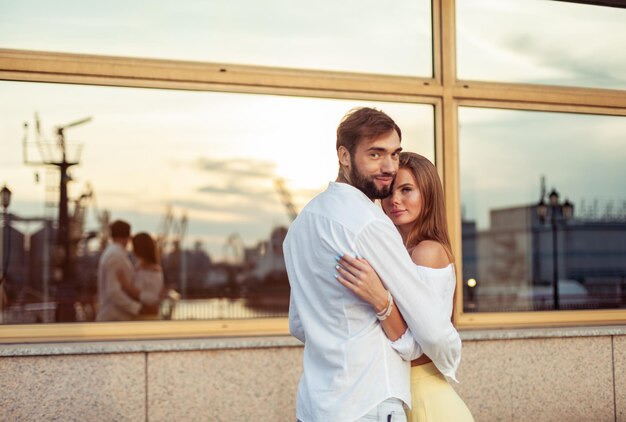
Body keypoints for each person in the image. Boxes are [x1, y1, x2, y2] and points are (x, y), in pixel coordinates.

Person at [283, 107, 461, 422]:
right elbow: (431, 333)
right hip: (367, 402)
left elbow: (299, 324)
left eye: (394, 154)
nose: (388, 166)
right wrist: (448, 355)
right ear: (344, 155)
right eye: (376, 154)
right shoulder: (368, 223)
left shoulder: (301, 225)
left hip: (316, 406)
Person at [335, 152, 474, 421]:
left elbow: (421, 345)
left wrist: (381, 302)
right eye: (389, 191)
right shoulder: (397, 251)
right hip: (400, 395)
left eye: (406, 190)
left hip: (425, 399)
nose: (394, 200)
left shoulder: (427, 251)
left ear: (428, 194)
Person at [96, 220, 142, 321]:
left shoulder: (113, 253)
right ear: (128, 236)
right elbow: (113, 291)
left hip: (114, 316)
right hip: (114, 317)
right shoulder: (116, 256)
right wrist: (135, 307)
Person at [116, 232, 164, 320]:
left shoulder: (152, 271)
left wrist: (126, 285)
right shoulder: (140, 268)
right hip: (141, 316)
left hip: (147, 318)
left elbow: (151, 298)